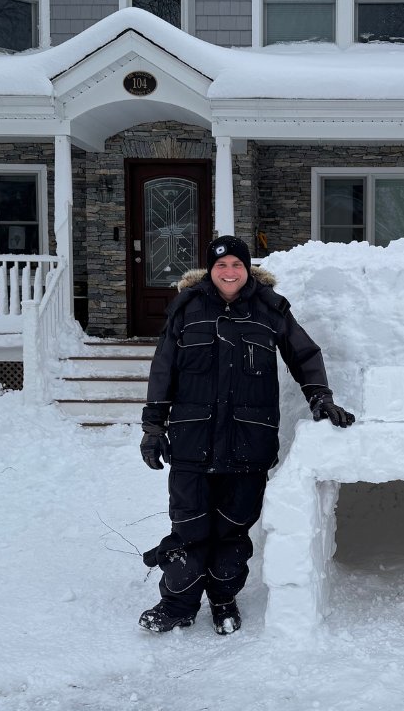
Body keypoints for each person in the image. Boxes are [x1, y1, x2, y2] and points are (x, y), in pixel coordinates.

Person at [138, 235, 354, 636]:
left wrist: (320, 398)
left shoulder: (269, 308)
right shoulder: (187, 309)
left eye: (237, 264)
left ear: (247, 268)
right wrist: (153, 427)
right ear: (210, 269)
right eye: (221, 265)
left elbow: (304, 354)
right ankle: (178, 604)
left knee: (233, 529)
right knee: (189, 526)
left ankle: (223, 600)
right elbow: (163, 368)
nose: (229, 272)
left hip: (247, 443)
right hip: (192, 441)